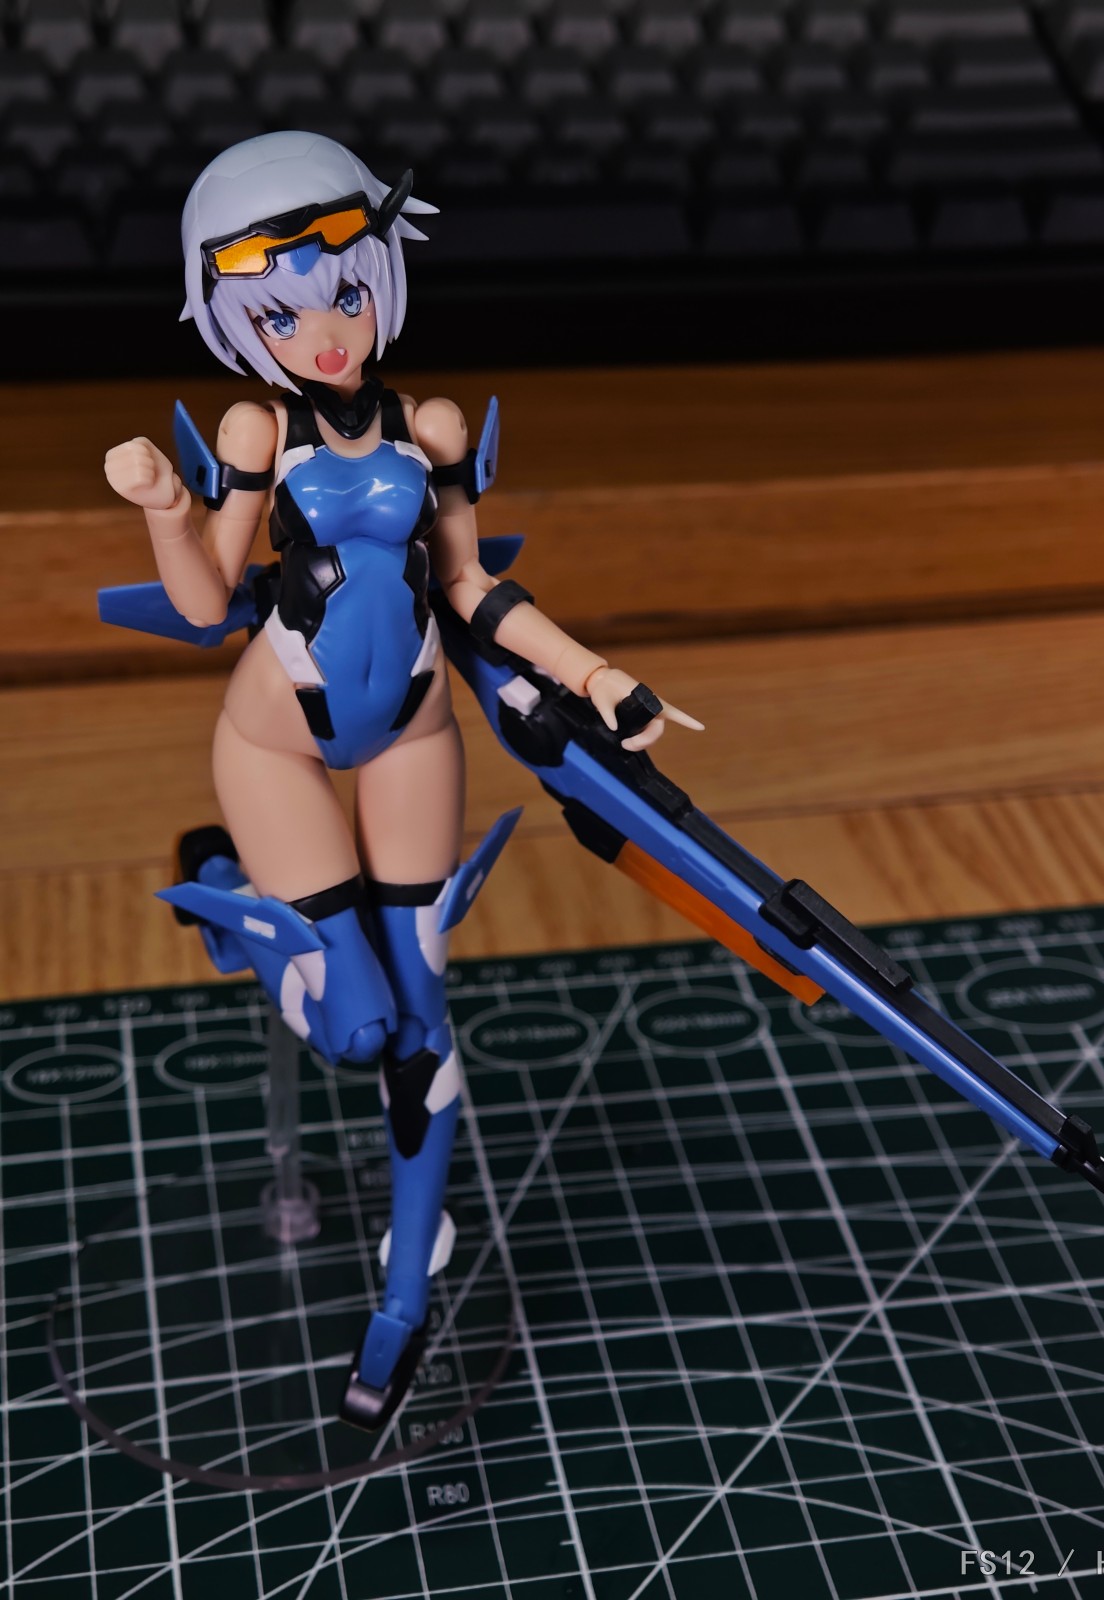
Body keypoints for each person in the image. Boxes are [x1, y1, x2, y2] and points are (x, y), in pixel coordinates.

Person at [103, 130, 701, 1429]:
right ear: (233, 321)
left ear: (381, 273)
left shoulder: (429, 428)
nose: (323, 333)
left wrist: (598, 676)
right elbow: (205, 604)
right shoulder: (257, 430)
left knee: (421, 1030)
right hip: (278, 742)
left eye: (343, 292)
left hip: (416, 736)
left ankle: (404, 1298)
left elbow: (472, 587)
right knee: (354, 1026)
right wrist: (162, 506)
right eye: (280, 313)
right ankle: (227, 889)